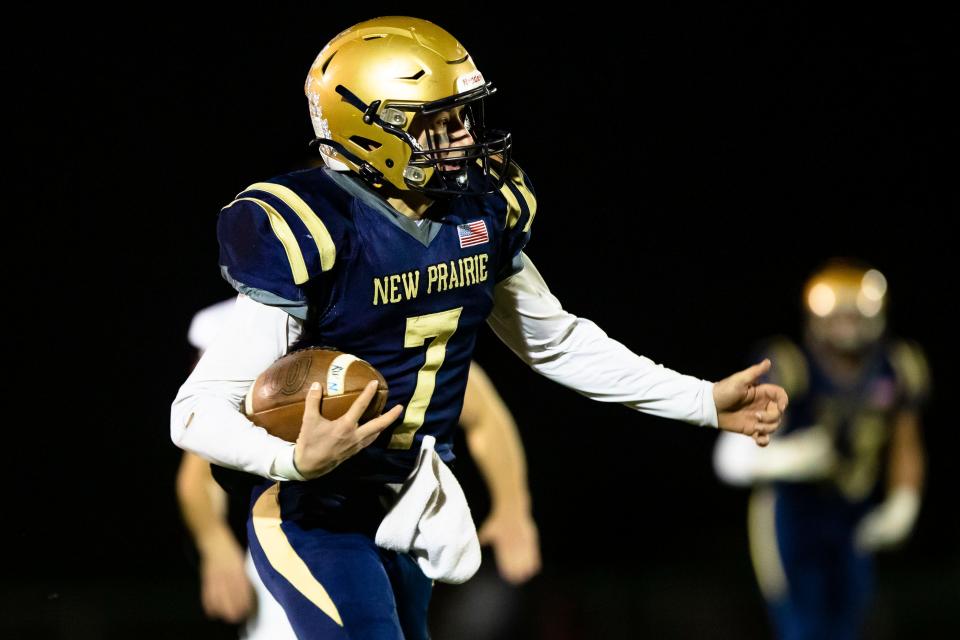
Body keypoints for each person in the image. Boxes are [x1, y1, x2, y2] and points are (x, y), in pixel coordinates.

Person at [171, 16, 787, 640]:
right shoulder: (315, 228)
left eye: (464, 116)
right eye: (438, 122)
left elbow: (556, 341)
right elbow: (193, 412)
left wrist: (702, 400)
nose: (464, 136)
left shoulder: (481, 212)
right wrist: (292, 458)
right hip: (314, 513)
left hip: (411, 500)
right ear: (370, 127)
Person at [176, 298, 541, 638]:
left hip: (387, 520)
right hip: (293, 528)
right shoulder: (249, 316)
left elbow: (483, 414)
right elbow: (202, 460)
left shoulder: (370, 301)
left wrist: (513, 506)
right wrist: (215, 544)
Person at [713, 259, 929, 640]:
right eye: (836, 313)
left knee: (848, 627)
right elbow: (730, 460)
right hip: (792, 518)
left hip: (853, 516)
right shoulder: (790, 365)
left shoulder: (896, 367)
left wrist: (904, 502)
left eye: (856, 313)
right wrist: (791, 458)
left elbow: (906, 442)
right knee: (802, 628)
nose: (847, 324)